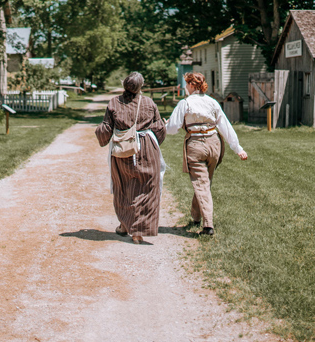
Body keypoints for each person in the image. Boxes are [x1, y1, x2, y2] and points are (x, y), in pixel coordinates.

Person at [165, 72, 248, 236]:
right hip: (213, 144)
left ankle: (208, 226)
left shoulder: (185, 103)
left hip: (195, 145)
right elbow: (225, 126)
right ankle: (196, 217)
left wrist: (165, 125)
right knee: (204, 183)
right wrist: (238, 148)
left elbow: (173, 128)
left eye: (186, 84)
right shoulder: (213, 103)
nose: (185, 87)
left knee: (202, 184)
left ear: (191, 85)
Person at [95, 72, 166, 244]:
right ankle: (138, 231)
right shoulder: (149, 103)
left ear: (124, 84)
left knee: (123, 187)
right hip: (147, 149)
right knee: (148, 189)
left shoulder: (114, 103)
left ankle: (125, 225)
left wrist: (99, 133)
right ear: (141, 86)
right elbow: (159, 128)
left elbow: (106, 129)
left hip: (123, 150)